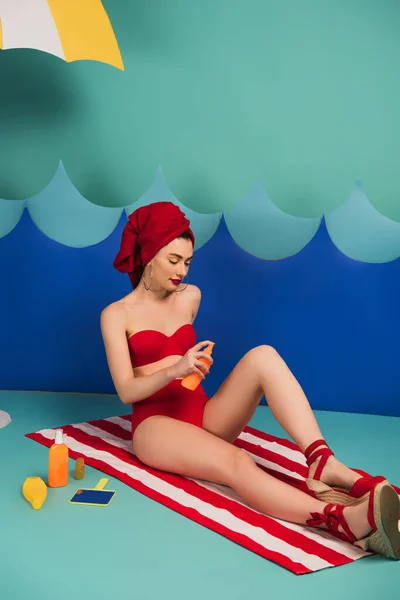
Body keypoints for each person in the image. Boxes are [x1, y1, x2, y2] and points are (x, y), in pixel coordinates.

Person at [101, 201, 400, 560]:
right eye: (173, 260)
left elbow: (186, 359)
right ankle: (341, 522)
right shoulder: (116, 315)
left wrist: (194, 366)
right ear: (149, 255)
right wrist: (173, 370)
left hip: (203, 414)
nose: (182, 271)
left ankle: (322, 461)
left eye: (188, 261)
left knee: (264, 355)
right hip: (157, 428)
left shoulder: (190, 297)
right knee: (240, 462)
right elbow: (125, 390)